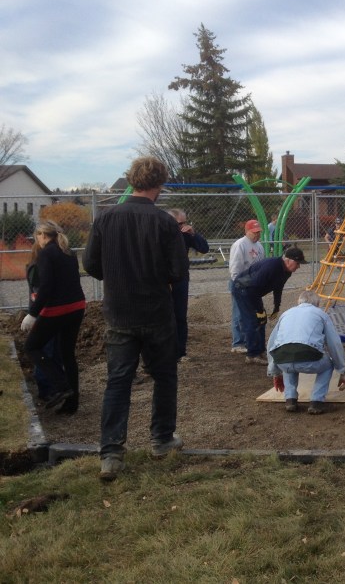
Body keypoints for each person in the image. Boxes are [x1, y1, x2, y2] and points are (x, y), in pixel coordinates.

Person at [83, 156, 189, 482]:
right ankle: (161, 440)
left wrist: (118, 276)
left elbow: (90, 265)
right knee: (164, 376)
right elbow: (178, 271)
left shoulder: (105, 219)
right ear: (160, 184)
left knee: (118, 381)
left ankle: (111, 454)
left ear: (132, 181)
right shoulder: (164, 223)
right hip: (156, 313)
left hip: (119, 313)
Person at [21, 221, 86, 414]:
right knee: (68, 354)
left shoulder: (46, 254)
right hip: (77, 306)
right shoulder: (69, 252)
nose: (37, 240)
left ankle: (61, 385)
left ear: (42, 235)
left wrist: (33, 314)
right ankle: (72, 403)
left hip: (58, 309)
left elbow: (46, 286)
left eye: (37, 236)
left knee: (31, 347)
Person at [267, 290, 345, 414]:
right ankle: (317, 401)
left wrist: (275, 372)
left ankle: (290, 399)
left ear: (298, 302)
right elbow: (334, 344)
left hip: (283, 360)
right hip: (309, 357)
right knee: (328, 365)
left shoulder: (286, 314)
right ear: (317, 304)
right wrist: (342, 371)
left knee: (288, 357)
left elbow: (272, 343)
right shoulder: (321, 314)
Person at [231, 247, 307, 365]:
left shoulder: (286, 271)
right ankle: (252, 355)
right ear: (288, 260)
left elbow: (278, 288)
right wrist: (258, 310)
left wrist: (277, 306)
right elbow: (254, 286)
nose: (299, 266)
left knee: (261, 320)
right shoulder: (271, 266)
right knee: (252, 321)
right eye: (297, 263)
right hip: (243, 289)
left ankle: (260, 350)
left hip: (253, 291)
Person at [23, 239, 64, 404]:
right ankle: (46, 390)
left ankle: (57, 387)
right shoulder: (37, 268)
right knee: (45, 352)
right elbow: (39, 294)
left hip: (53, 315)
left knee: (55, 352)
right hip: (43, 316)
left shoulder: (45, 266)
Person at [167, 208, 209, 362]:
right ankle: (164, 351)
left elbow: (204, 248)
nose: (183, 226)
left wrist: (193, 234)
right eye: (180, 223)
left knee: (180, 315)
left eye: (184, 223)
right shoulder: (161, 233)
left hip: (181, 278)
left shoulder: (185, 234)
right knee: (164, 315)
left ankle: (180, 351)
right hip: (163, 279)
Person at [228, 219, 265, 353]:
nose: (257, 235)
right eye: (254, 232)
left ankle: (249, 340)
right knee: (239, 313)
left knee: (253, 314)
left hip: (253, 283)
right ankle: (237, 343)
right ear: (247, 231)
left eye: (258, 232)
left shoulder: (259, 246)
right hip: (240, 282)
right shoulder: (240, 244)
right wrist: (238, 283)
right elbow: (235, 267)